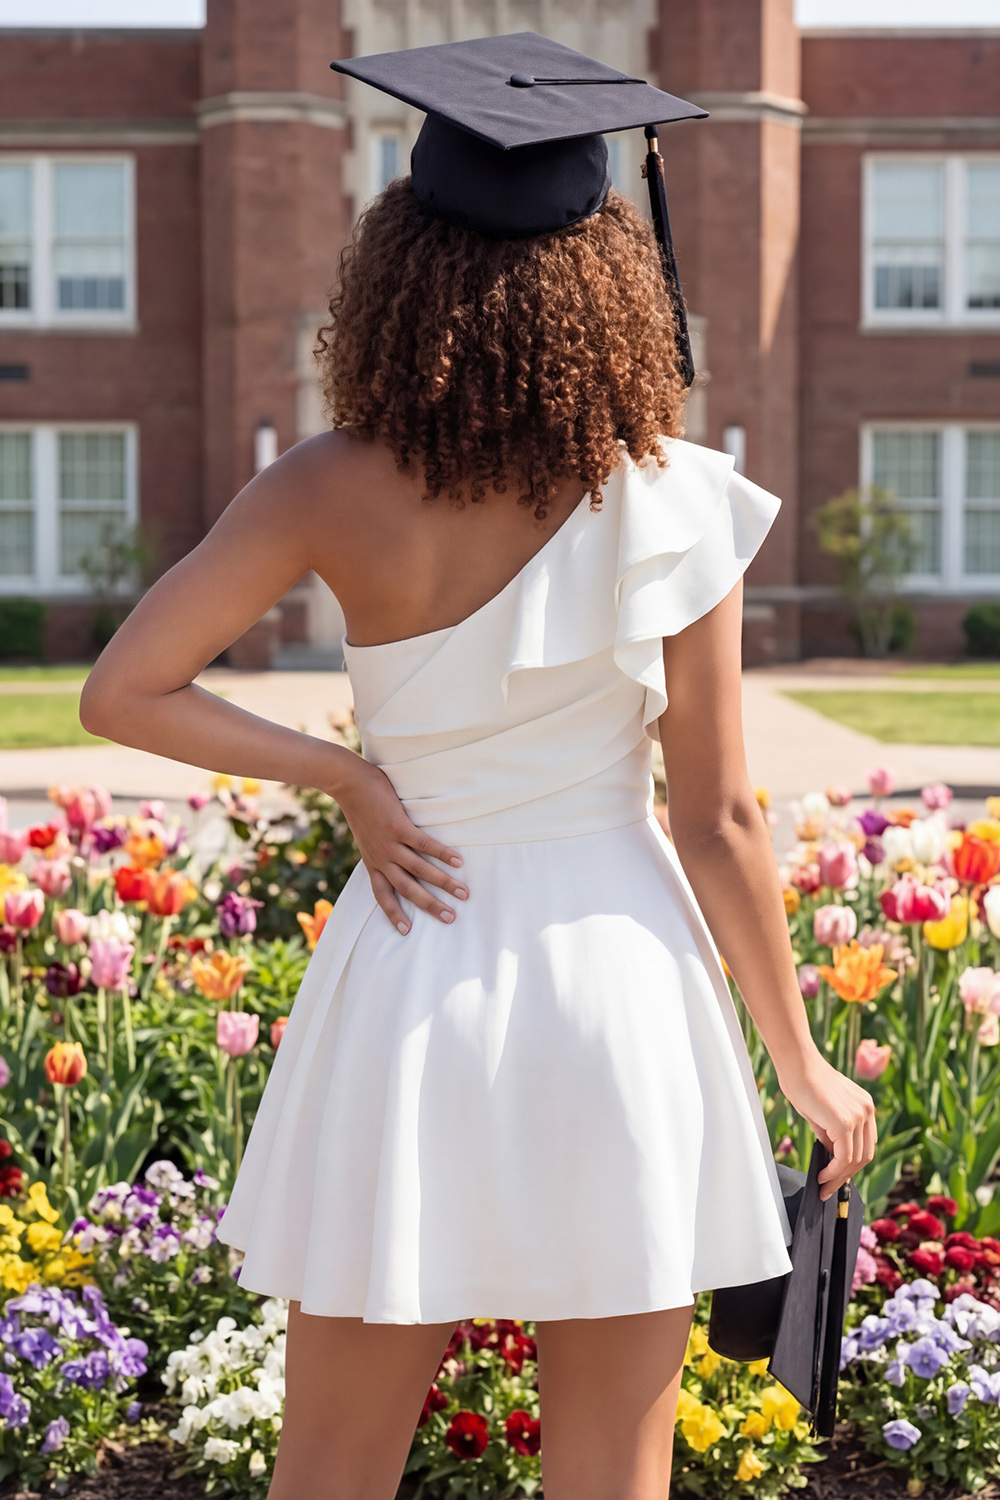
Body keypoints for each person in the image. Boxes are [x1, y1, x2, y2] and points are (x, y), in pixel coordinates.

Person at [80, 34, 876, 1500]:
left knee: (328, 1462)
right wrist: (802, 1058)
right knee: (614, 1471)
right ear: (613, 279)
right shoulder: (676, 504)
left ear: (399, 265)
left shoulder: (324, 482)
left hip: (416, 957)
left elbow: (124, 692)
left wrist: (350, 784)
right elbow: (716, 816)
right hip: (620, 982)